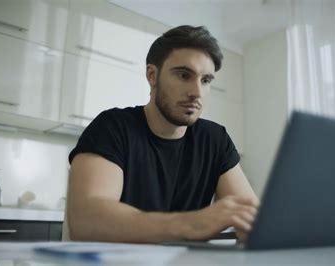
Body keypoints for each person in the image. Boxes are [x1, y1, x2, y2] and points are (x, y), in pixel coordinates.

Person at [64, 25, 259, 243]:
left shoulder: (215, 139)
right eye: (184, 75)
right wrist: (193, 224)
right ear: (152, 75)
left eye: (205, 80)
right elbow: (87, 222)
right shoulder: (112, 127)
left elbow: (252, 218)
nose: (197, 92)